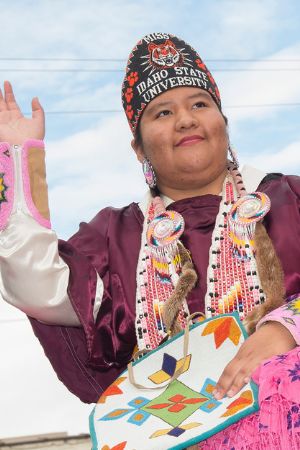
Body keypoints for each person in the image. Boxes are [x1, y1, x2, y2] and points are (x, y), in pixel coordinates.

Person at [0, 32, 299, 449]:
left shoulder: (289, 198)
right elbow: (36, 286)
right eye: (162, 113)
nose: (186, 119)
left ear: (223, 123)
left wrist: (286, 328)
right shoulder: (116, 236)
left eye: (200, 103)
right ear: (138, 148)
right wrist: (18, 160)